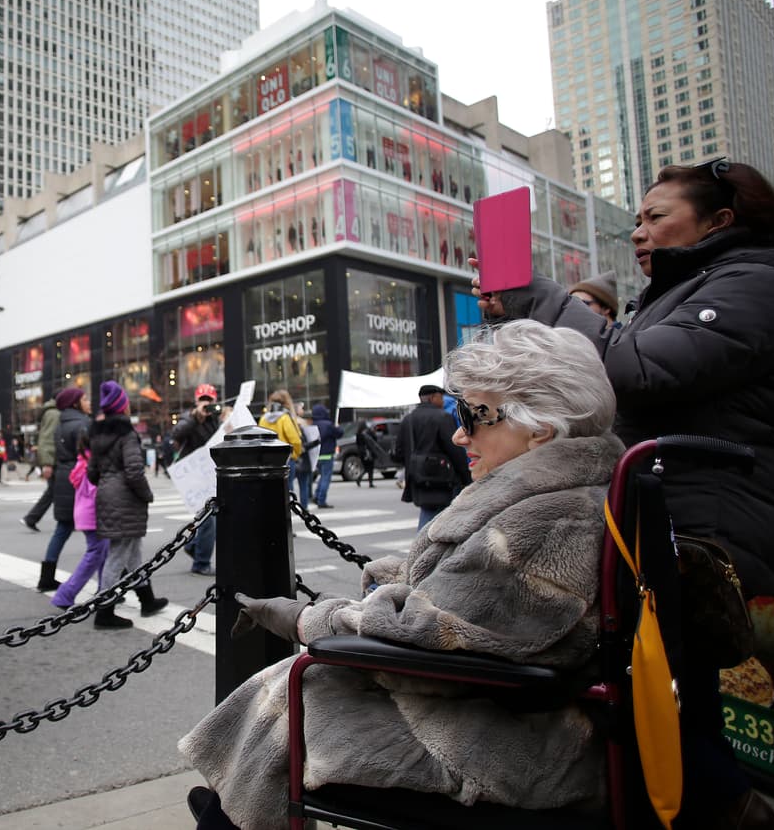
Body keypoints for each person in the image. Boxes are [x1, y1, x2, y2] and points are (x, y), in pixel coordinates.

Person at [180, 321, 624, 830]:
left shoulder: (551, 518)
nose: (460, 433)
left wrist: (306, 620)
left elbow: (431, 641)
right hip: (504, 709)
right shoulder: (555, 494)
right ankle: (235, 803)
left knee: (294, 694)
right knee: (297, 693)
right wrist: (398, 576)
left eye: (473, 416)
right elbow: (478, 603)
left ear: (540, 427)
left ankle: (234, 812)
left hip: (513, 742)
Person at [473, 158, 774, 827]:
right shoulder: (678, 292)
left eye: (655, 217)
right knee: (668, 703)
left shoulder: (757, 283)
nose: (639, 232)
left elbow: (637, 369)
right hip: (655, 518)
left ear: (719, 220)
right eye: (636, 221)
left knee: (653, 698)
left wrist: (538, 294)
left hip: (701, 528)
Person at [89, 381, 166, 628]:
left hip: (107, 494)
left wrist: (107, 481)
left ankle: (147, 599)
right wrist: (146, 494)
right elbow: (134, 471)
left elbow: (92, 472)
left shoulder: (97, 434)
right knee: (118, 555)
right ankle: (104, 612)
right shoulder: (127, 434)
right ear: (122, 406)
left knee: (133, 552)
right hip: (125, 498)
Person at [37, 387, 90, 591]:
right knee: (98, 535)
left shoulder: (62, 422)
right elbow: (87, 456)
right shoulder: (82, 424)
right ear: (75, 403)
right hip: (79, 479)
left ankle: (47, 576)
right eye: (84, 398)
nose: (88, 402)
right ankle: (110, 582)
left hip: (64, 476)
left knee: (63, 528)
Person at [396, 384, 470, 530]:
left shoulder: (408, 419)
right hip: (442, 478)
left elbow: (398, 452)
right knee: (439, 519)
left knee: (429, 514)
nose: (443, 400)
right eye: (440, 397)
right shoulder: (442, 417)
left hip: (417, 477)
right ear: (432, 397)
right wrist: (466, 477)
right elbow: (454, 450)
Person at [50, 433, 107, 609]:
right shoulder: (92, 463)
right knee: (95, 554)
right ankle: (65, 594)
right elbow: (96, 492)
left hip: (86, 514)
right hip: (93, 515)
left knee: (103, 551)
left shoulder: (83, 460)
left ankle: (104, 590)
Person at [173, 383, 222, 575]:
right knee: (209, 520)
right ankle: (201, 563)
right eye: (203, 400)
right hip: (195, 477)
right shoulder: (189, 417)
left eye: (209, 401)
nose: (206, 404)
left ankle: (194, 546)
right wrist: (196, 417)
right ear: (196, 401)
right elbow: (177, 433)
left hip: (211, 474)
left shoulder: (215, 419)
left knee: (210, 518)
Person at [257, 388, 307, 508]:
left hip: (267, 460)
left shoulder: (263, 418)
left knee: (271, 491)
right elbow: (295, 440)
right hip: (286, 459)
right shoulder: (285, 418)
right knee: (288, 489)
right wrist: (296, 454)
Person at [21, 397, 59, 529]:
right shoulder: (54, 413)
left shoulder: (52, 412)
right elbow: (48, 438)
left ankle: (32, 518)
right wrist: (47, 463)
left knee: (54, 491)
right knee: (55, 490)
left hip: (54, 458)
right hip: (54, 459)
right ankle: (32, 517)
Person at [309, 403, 342, 508]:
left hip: (316, 456)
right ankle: (321, 500)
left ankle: (317, 496)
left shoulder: (312, 425)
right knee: (325, 478)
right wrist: (337, 427)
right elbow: (340, 433)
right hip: (327, 455)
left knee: (321, 477)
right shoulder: (328, 425)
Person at [354, 421, 385, 487]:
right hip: (367, 453)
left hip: (361, 453)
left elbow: (358, 444)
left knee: (366, 468)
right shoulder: (366, 434)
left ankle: (359, 479)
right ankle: (370, 483)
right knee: (370, 468)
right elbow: (372, 442)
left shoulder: (358, 434)